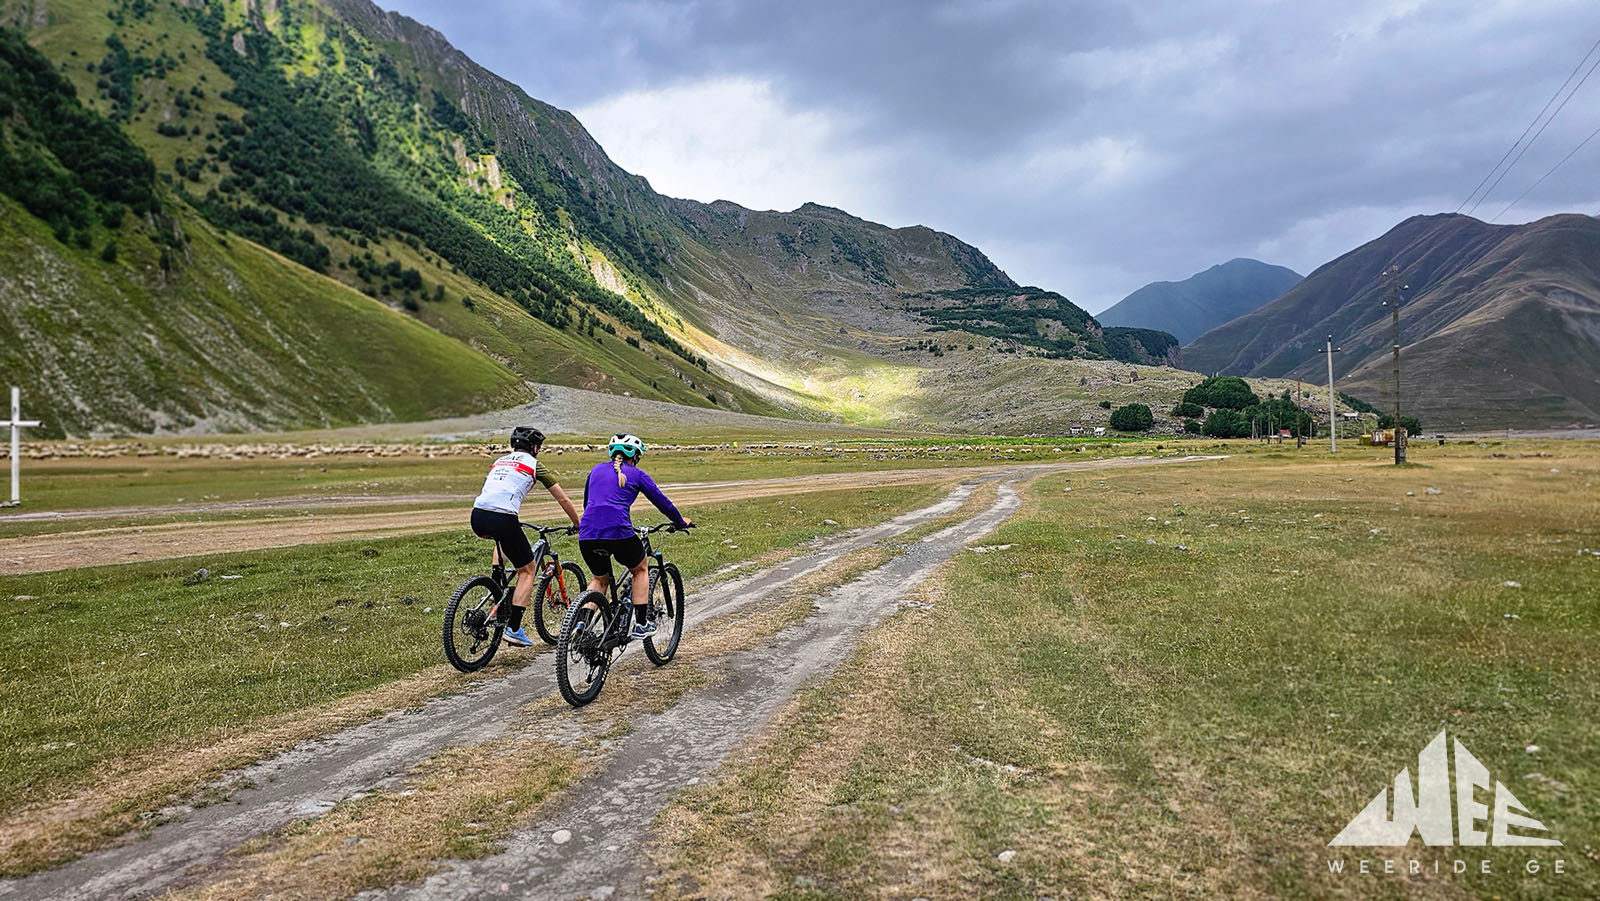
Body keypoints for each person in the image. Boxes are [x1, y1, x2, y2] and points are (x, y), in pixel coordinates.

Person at [469, 426, 581, 647]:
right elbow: (563, 499)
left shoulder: (500, 461)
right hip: (503, 517)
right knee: (527, 570)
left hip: (478, 515)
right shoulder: (534, 464)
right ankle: (514, 628)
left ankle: (496, 586)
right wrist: (578, 523)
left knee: (501, 539)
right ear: (536, 447)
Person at [578, 434, 692, 639]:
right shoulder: (637, 474)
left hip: (587, 533)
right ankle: (641, 624)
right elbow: (663, 503)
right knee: (640, 569)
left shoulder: (595, 470)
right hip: (618, 531)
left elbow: (587, 504)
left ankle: (579, 625)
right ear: (636, 456)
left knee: (599, 580)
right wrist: (680, 522)